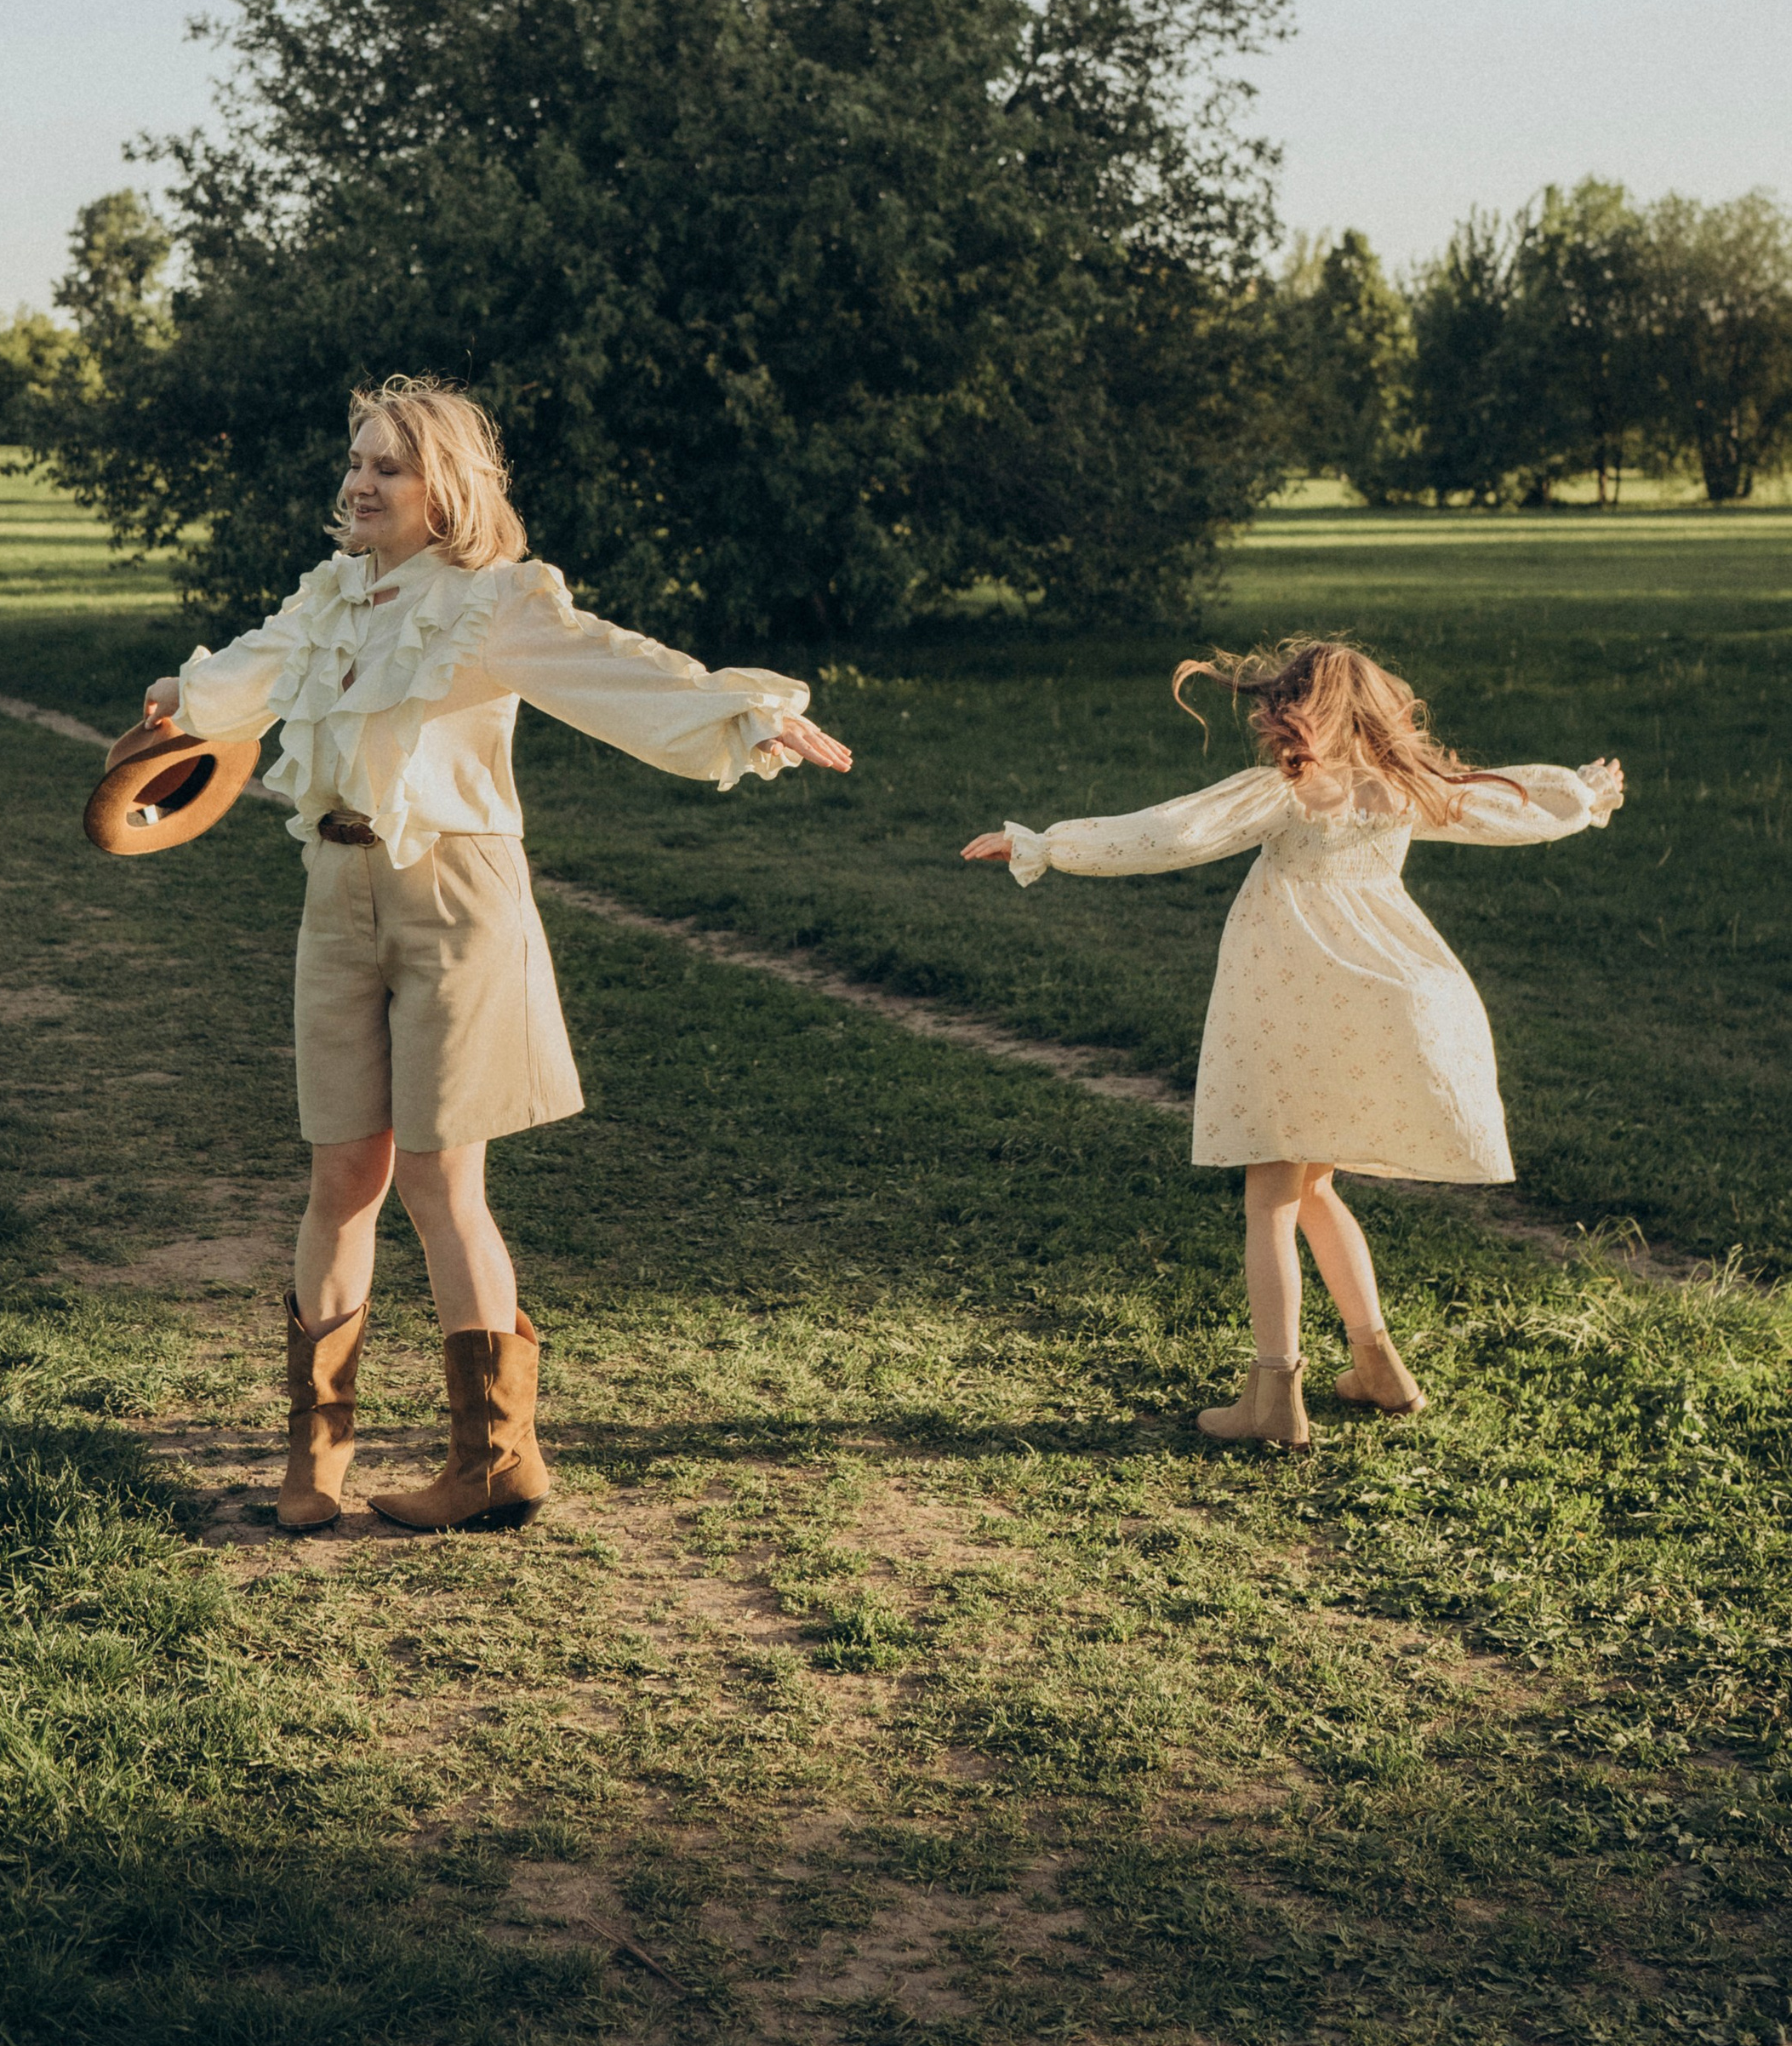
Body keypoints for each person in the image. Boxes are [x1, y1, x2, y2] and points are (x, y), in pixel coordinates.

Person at [137, 375, 851, 1535]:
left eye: (391, 467)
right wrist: (183, 695)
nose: (362, 482)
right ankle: (317, 1454)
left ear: (447, 491)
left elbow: (612, 665)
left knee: (436, 1177)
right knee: (340, 1177)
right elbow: (247, 676)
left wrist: (740, 711)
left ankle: (493, 1460)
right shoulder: (331, 596)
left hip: (458, 894)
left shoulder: (491, 602)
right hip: (335, 888)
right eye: (358, 461)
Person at [962, 639, 1624, 1451]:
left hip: (1292, 1011)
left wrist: (1045, 845)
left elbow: (1169, 831)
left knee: (1271, 1197)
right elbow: (1508, 808)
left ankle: (1274, 1396)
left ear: (1295, 707)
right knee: (1314, 1190)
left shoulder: (1288, 790)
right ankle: (1379, 1367)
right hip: (1381, 1003)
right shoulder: (1407, 789)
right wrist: (1582, 797)